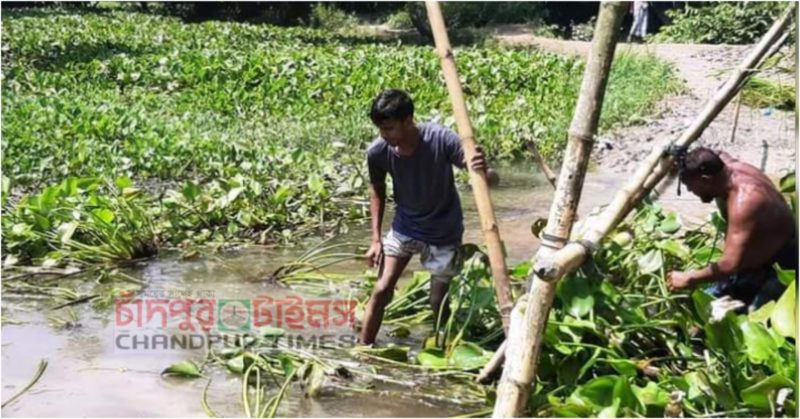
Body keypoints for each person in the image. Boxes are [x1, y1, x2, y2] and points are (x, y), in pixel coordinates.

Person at [360, 89, 491, 345]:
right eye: (380, 129)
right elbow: (377, 189)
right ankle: (363, 348)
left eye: (389, 128)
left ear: (408, 120)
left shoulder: (441, 139)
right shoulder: (378, 152)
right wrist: (375, 239)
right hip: (405, 227)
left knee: (437, 300)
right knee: (381, 289)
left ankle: (442, 345)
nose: (384, 135)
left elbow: (485, 178)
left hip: (443, 231)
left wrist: (483, 169)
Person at [666, 147, 797, 311]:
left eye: (690, 185)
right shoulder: (729, 166)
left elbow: (728, 265)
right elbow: (718, 153)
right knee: (708, 305)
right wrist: (677, 153)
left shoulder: (744, 203)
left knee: (753, 317)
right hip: (755, 262)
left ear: (706, 180)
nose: (690, 191)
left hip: (785, 263)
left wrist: (688, 277)